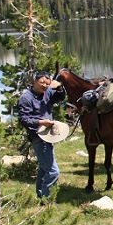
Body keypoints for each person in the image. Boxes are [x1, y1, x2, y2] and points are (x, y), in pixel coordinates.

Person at [17, 71, 66, 200]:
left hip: (48, 136)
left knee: (44, 169)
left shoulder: (48, 93)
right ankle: (47, 199)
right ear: (34, 81)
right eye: (41, 82)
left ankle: (40, 195)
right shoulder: (26, 98)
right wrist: (40, 122)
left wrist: (60, 87)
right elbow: (24, 119)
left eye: (47, 83)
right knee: (53, 171)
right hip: (37, 137)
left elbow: (60, 98)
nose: (44, 85)